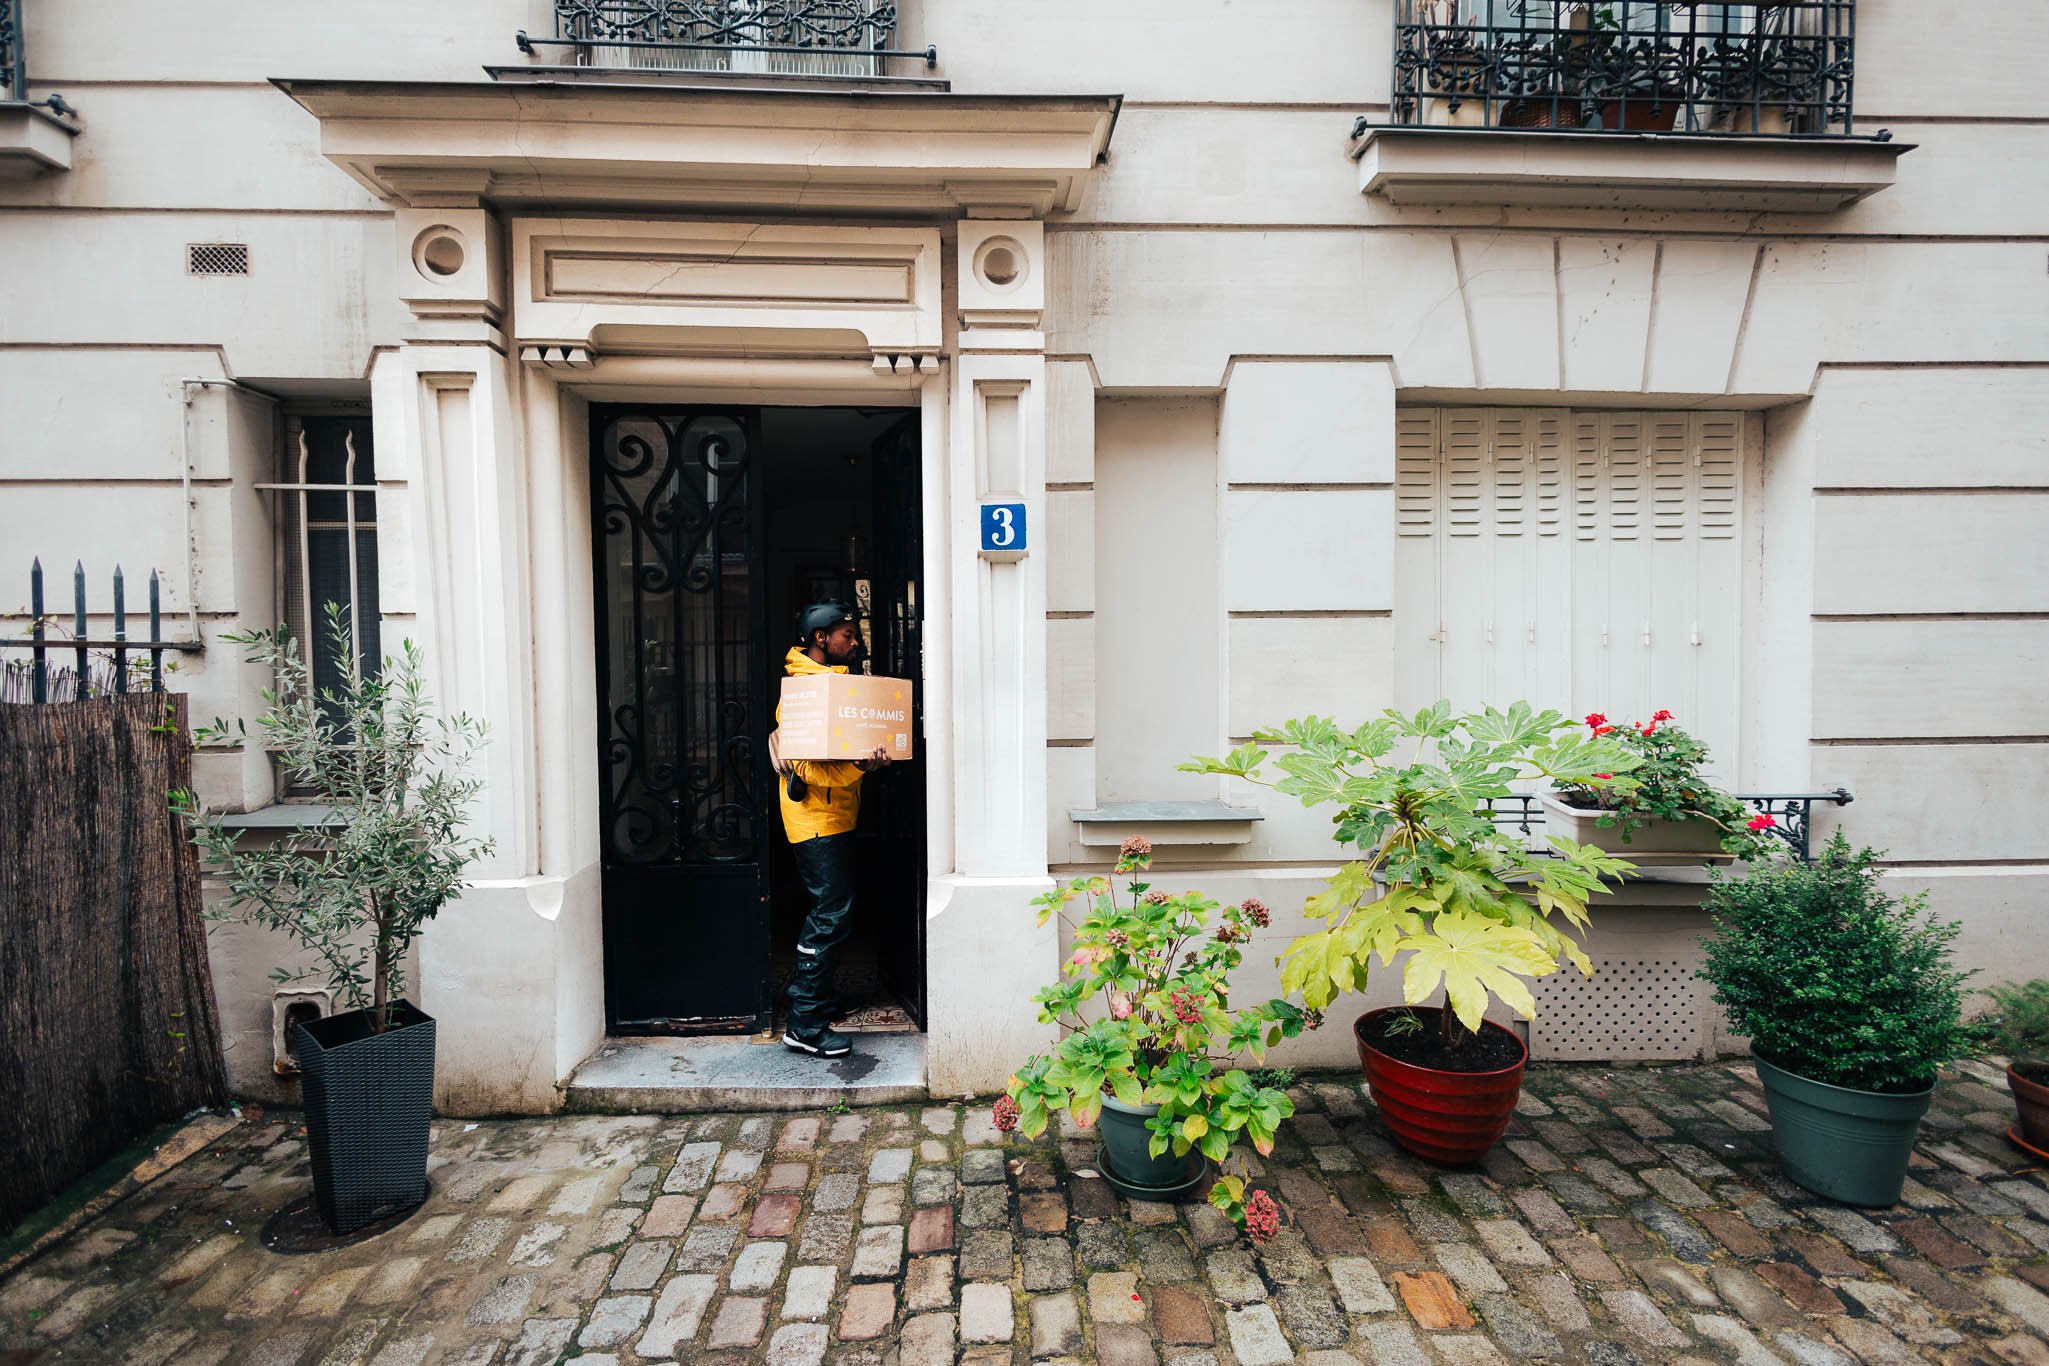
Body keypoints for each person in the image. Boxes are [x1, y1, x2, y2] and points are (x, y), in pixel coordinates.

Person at [775, 601, 892, 1057]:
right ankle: (804, 1023)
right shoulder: (805, 691)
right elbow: (802, 764)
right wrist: (861, 767)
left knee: (836, 913)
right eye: (847, 634)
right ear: (820, 639)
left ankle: (816, 999)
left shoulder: (832, 685)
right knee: (828, 918)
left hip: (835, 816)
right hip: (816, 820)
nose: (857, 641)